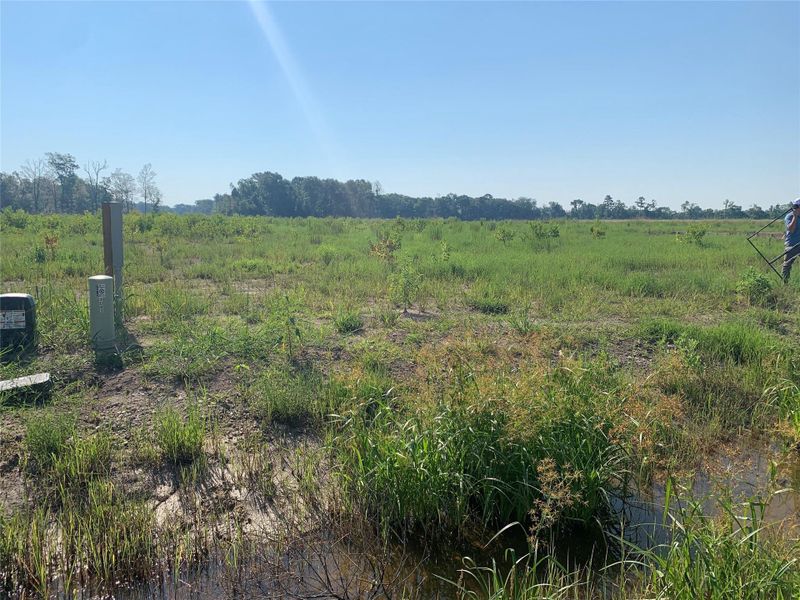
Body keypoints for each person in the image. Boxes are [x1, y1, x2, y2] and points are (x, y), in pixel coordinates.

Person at [783, 198, 800, 283]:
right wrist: (795, 216)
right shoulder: (789, 216)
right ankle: (785, 283)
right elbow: (791, 229)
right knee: (787, 265)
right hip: (792, 244)